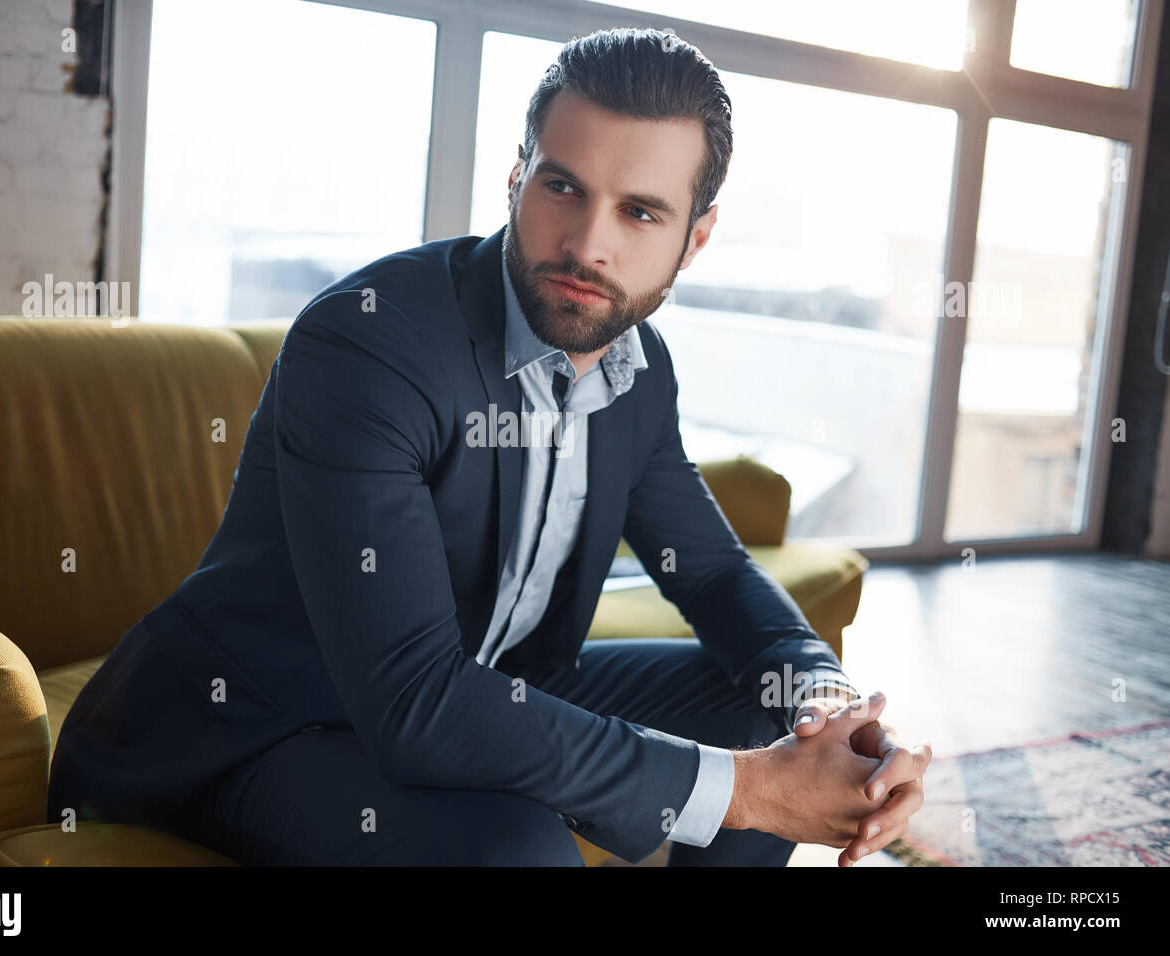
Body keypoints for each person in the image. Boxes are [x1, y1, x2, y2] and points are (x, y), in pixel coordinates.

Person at [48, 26, 929, 867]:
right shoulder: (368, 344)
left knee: (769, 710)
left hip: (488, 689)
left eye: (640, 212)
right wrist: (748, 792)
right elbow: (414, 698)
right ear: (516, 177)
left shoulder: (638, 368)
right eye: (563, 188)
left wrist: (829, 705)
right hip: (260, 728)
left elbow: (711, 574)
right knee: (513, 849)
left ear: (694, 239)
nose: (588, 245)